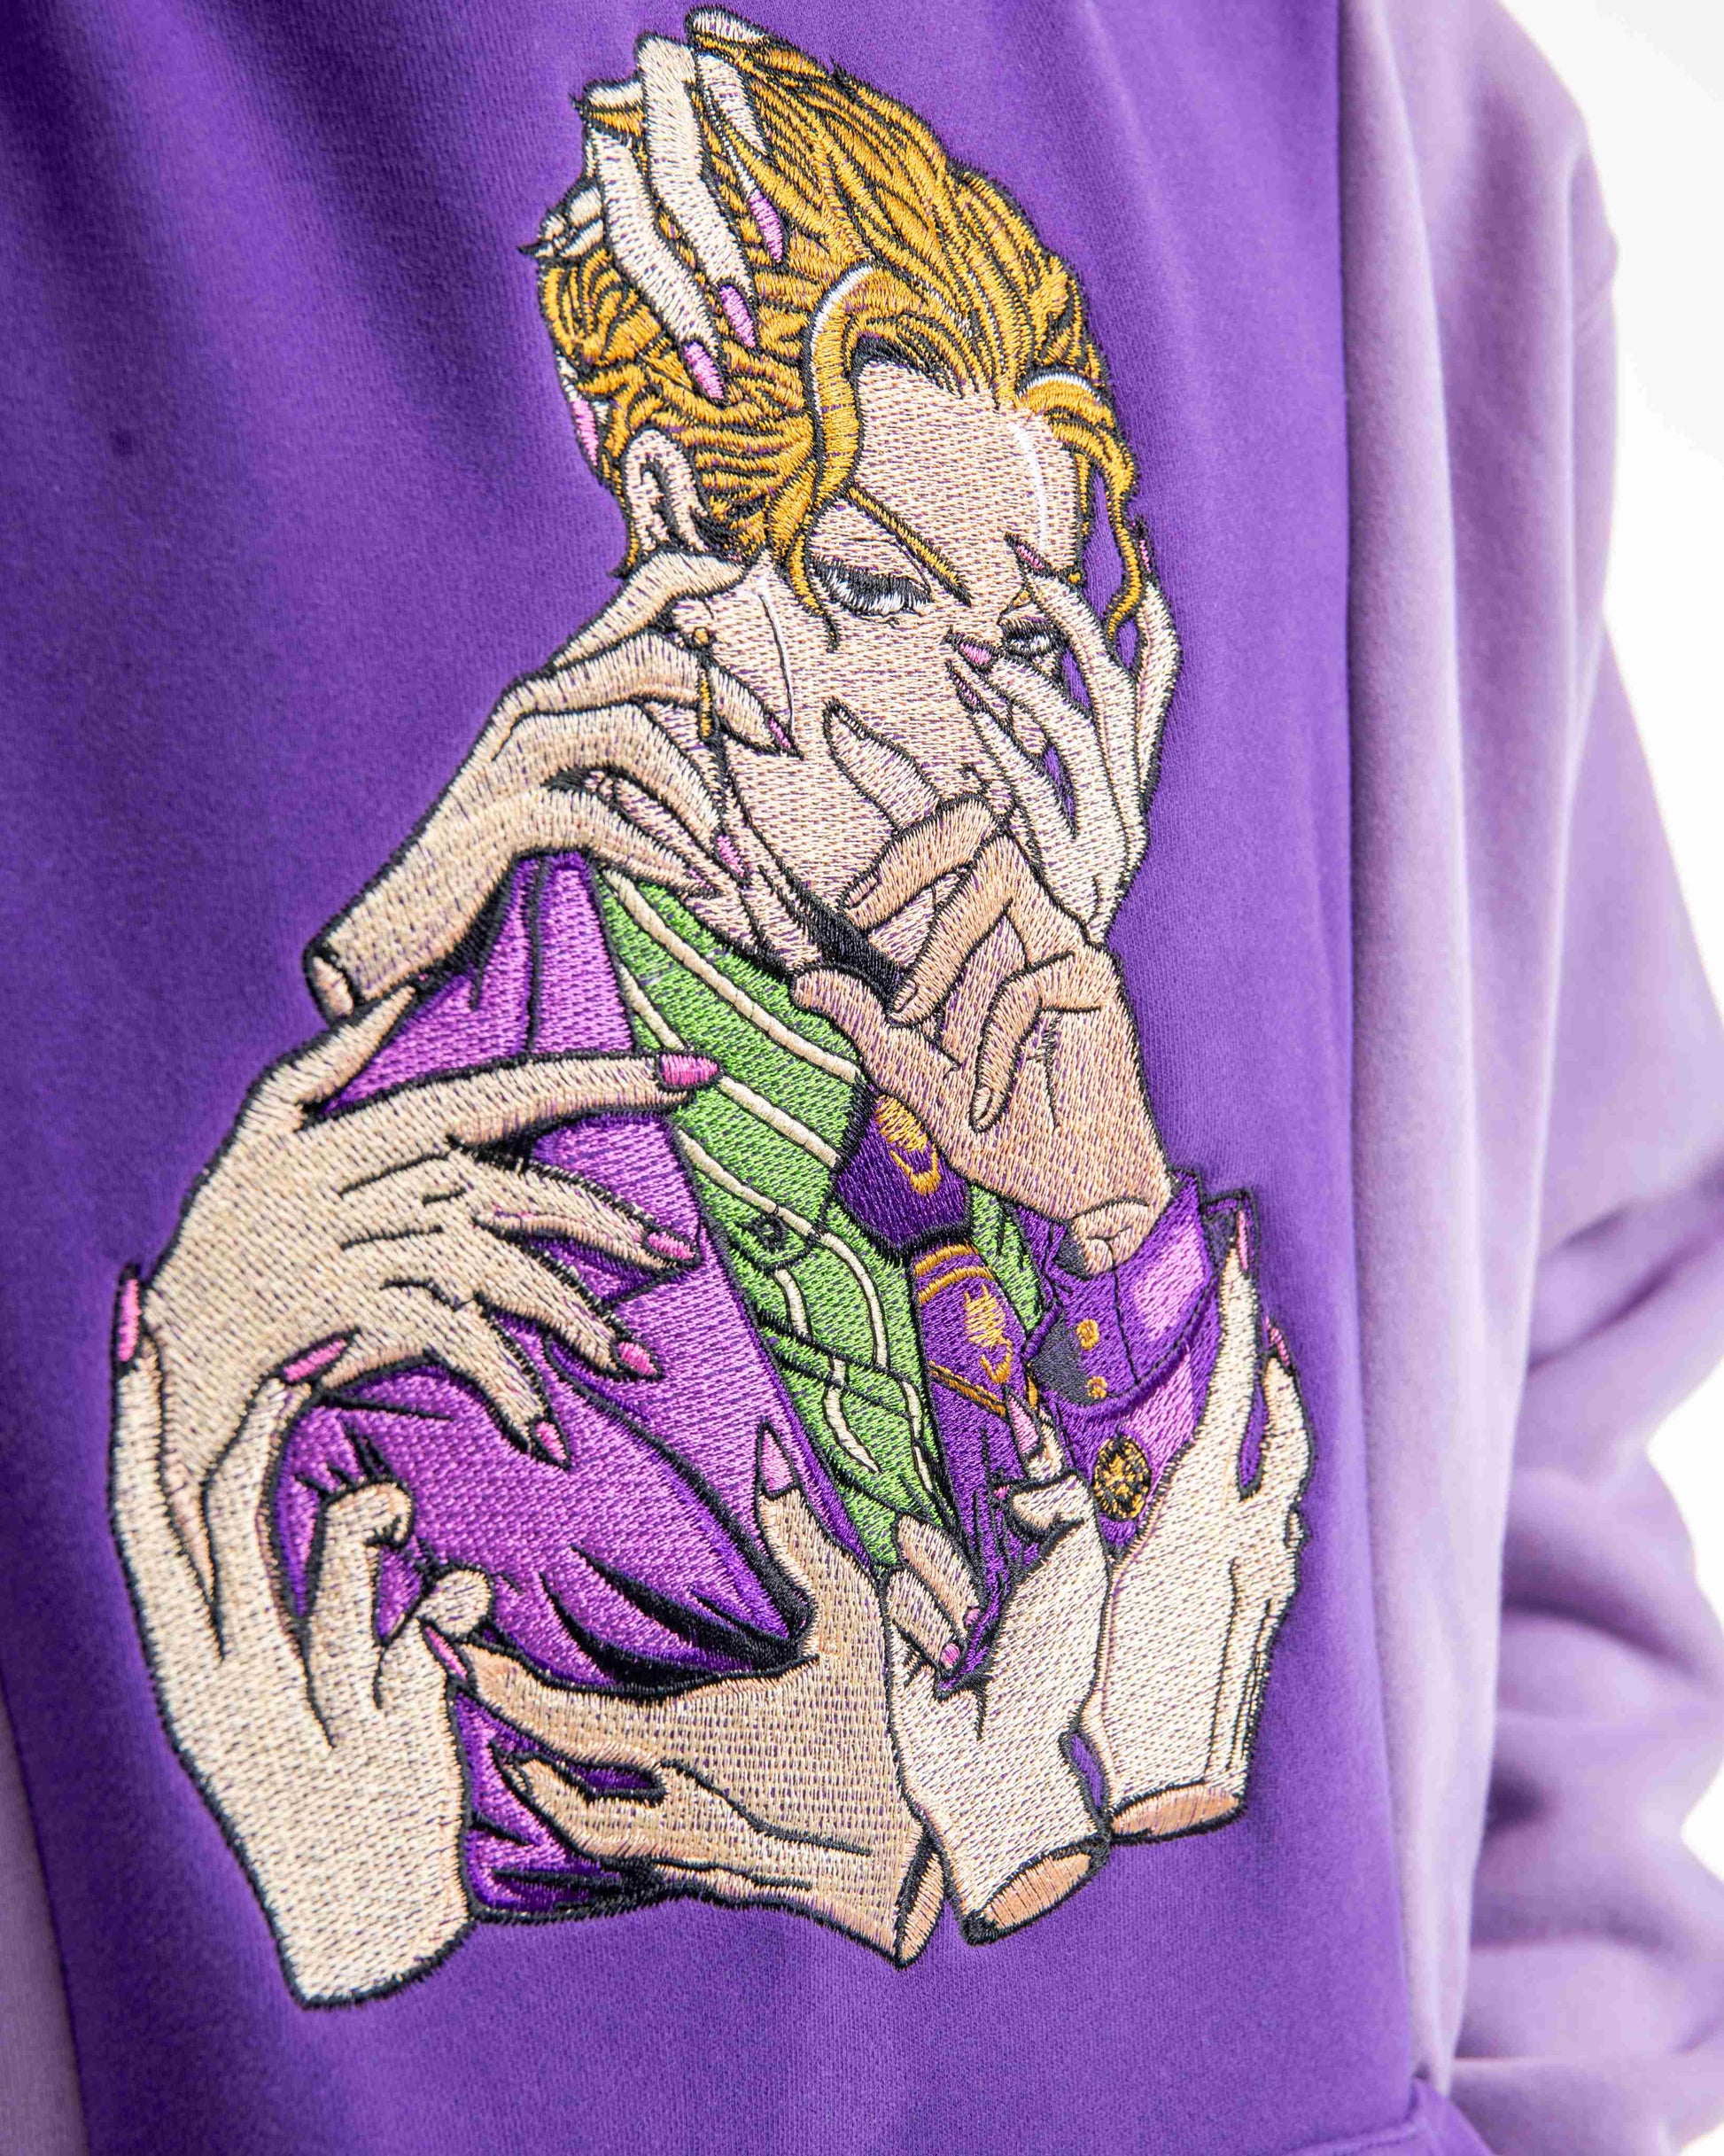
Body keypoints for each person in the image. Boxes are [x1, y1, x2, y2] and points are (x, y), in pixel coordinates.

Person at [4, 3, 1723, 2152]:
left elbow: (1569, 1327)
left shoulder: (1372, 96)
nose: (947, 721)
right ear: (670, 537)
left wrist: (1112, 1228)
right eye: (873, 587)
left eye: (1009, 637)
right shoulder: (417, 1193)